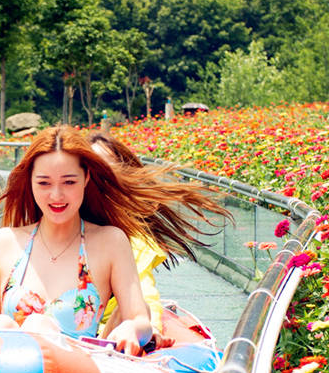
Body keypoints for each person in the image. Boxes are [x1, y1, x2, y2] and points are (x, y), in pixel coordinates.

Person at [0, 127, 171, 354]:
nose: (56, 196)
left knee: (38, 324)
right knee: (2, 324)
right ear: (30, 182)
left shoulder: (110, 242)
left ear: (86, 179)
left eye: (69, 182)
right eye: (44, 183)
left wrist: (131, 328)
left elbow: (140, 317)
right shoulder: (5, 243)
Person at [86, 131, 229, 339]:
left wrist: (150, 328)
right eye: (88, 168)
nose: (96, 178)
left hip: (105, 336)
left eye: (105, 169)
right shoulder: (58, 228)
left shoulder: (132, 240)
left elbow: (144, 293)